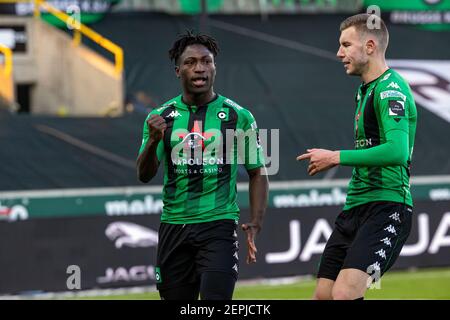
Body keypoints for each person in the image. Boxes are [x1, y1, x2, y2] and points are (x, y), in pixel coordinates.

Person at [136, 31, 269, 300]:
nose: (200, 68)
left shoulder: (237, 116)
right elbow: (144, 174)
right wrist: (152, 141)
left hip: (218, 226)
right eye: (190, 62)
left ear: (214, 68)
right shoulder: (159, 117)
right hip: (174, 226)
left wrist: (256, 221)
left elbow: (258, 172)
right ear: (177, 70)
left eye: (206, 61)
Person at [297, 14, 417, 300]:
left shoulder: (391, 90)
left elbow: (397, 151)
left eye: (346, 45)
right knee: (324, 295)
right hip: (355, 208)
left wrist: (335, 157)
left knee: (344, 294)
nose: (339, 53)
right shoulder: (364, 91)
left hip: (388, 208)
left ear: (371, 46)